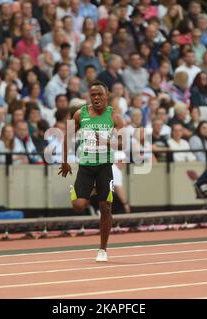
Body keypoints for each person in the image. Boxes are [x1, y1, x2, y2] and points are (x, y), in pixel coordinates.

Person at [58, 81, 124, 262]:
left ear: (107, 95)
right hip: (86, 166)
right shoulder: (81, 114)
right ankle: (90, 190)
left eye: (99, 95)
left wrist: (106, 142)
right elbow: (67, 137)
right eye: (93, 95)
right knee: (78, 206)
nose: (96, 98)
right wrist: (64, 161)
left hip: (104, 166)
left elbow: (122, 143)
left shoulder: (115, 117)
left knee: (105, 207)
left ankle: (103, 249)